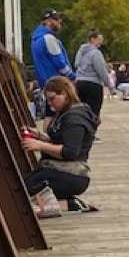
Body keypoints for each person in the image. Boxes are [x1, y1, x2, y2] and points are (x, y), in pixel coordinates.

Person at [21, 77, 99, 216]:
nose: (50, 104)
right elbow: (60, 140)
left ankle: (68, 205)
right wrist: (39, 135)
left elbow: (70, 152)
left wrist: (40, 145)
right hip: (62, 170)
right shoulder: (67, 112)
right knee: (23, 186)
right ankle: (62, 202)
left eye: (51, 99)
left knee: (25, 195)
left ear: (64, 93)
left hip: (71, 175)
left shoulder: (75, 119)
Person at [31, 8, 75, 129]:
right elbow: (59, 62)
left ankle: (46, 141)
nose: (60, 22)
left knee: (49, 113)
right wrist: (71, 76)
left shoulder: (36, 39)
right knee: (62, 112)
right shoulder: (48, 38)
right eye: (57, 20)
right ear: (49, 21)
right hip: (57, 82)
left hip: (45, 81)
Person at [74, 30, 115, 124]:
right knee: (93, 111)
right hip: (93, 84)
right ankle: (90, 134)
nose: (101, 42)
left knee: (81, 111)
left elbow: (76, 64)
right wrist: (111, 87)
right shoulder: (95, 53)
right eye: (99, 39)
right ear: (92, 39)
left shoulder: (81, 51)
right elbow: (101, 71)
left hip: (80, 83)